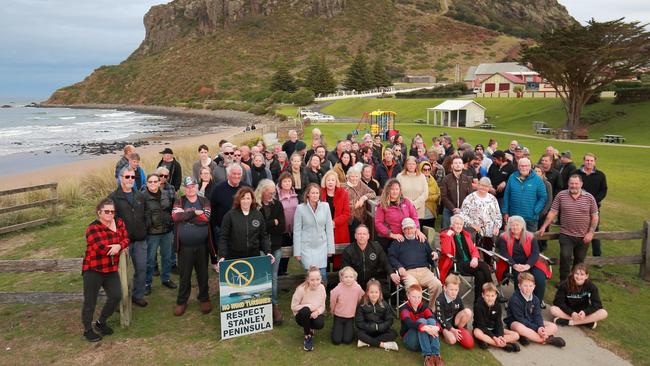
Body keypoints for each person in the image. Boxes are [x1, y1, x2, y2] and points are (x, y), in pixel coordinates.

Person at [81, 198, 128, 342]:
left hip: (110, 269)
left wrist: (119, 246)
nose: (110, 214)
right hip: (93, 269)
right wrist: (118, 245)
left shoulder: (119, 222)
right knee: (90, 301)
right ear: (99, 212)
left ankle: (101, 322)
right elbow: (102, 249)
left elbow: (126, 238)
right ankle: (88, 330)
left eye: (112, 211)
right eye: (106, 211)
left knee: (116, 295)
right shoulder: (93, 229)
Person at [537, 175, 599, 281]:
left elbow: (595, 216)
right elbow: (553, 212)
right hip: (566, 235)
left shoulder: (589, 197)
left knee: (579, 260)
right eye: (571, 183)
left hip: (583, 236)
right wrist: (544, 227)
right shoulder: (561, 195)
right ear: (568, 184)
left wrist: (591, 232)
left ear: (581, 184)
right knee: (565, 257)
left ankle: (575, 281)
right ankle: (564, 282)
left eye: (576, 183)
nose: (574, 186)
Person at [172, 177, 217, 316]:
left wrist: (186, 215)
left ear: (197, 187)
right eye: (187, 187)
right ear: (184, 188)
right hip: (185, 247)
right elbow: (175, 217)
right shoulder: (179, 201)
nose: (190, 189)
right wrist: (194, 213)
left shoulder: (204, 201)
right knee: (184, 275)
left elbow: (205, 219)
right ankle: (181, 301)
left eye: (192, 186)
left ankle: (204, 298)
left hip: (202, 246)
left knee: (203, 274)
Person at [110, 166, 148, 307]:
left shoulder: (140, 196)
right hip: (122, 243)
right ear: (121, 178)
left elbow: (145, 215)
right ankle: (120, 299)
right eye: (127, 177)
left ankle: (138, 295)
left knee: (142, 268)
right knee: (121, 272)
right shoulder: (113, 197)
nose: (130, 180)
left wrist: (144, 230)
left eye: (133, 177)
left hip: (140, 240)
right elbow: (110, 220)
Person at [389, 218, 442, 310]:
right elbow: (391, 257)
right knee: (413, 289)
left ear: (415, 228)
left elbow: (430, 255)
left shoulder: (422, 239)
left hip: (424, 271)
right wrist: (399, 267)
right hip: (408, 272)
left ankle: (431, 310)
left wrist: (434, 254)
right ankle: (416, 311)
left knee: (437, 284)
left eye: (411, 228)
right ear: (403, 230)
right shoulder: (398, 242)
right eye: (406, 228)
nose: (409, 231)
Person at [438, 215, 493, 304]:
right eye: (456, 224)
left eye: (460, 224)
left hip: (469, 263)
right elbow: (445, 250)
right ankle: (492, 290)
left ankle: (478, 302)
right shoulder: (446, 234)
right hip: (455, 264)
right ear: (452, 224)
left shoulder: (465, 234)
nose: (459, 226)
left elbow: (474, 249)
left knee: (480, 275)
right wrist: (449, 235)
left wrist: (475, 258)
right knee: (483, 265)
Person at [497, 216, 551, 304]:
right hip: (512, 265)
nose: (515, 227)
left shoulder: (530, 236)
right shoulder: (504, 237)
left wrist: (527, 265)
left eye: (517, 225)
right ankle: (520, 303)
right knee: (521, 279)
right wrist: (514, 265)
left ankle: (536, 303)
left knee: (540, 278)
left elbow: (535, 253)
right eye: (512, 225)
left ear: (522, 226)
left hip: (530, 263)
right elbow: (504, 254)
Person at [504, 273, 566, 348]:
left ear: (534, 287)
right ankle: (548, 339)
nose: (528, 288)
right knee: (519, 328)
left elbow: (537, 315)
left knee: (553, 326)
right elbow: (521, 319)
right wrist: (537, 329)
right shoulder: (515, 299)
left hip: (531, 321)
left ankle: (527, 336)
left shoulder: (535, 299)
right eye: (525, 285)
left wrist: (540, 327)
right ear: (519, 286)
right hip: (516, 322)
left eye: (530, 286)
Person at [255, 180, 285, 324]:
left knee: (273, 276)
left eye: (274, 192)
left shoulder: (277, 205)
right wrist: (272, 222)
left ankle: (274, 304)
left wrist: (267, 226)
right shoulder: (255, 207)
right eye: (270, 192)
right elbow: (256, 229)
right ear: (262, 191)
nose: (272, 194)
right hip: (260, 248)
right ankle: (261, 305)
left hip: (275, 247)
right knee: (261, 277)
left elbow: (282, 226)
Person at [293, 183, 335, 285]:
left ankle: (322, 298)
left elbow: (329, 228)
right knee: (311, 277)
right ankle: (310, 298)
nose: (315, 195)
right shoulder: (300, 208)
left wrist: (330, 248)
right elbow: (297, 231)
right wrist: (297, 252)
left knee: (323, 276)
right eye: (313, 193)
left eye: (317, 193)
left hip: (321, 245)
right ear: (308, 194)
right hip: (307, 246)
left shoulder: (325, 207)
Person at [142, 173, 176, 296]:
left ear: (159, 182)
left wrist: (171, 222)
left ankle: (166, 279)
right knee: (150, 259)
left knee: (166, 257)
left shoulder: (166, 194)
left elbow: (171, 209)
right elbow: (141, 215)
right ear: (146, 183)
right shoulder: (142, 196)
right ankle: (147, 283)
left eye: (155, 181)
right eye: (150, 182)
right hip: (152, 233)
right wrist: (147, 225)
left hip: (167, 231)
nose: (153, 184)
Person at [459, 177, 502, 266]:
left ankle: (487, 267)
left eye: (486, 186)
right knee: (474, 252)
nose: (483, 188)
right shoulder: (470, 198)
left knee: (488, 253)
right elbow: (462, 214)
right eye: (482, 185)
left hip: (489, 232)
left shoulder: (492, 199)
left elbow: (498, 215)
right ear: (478, 185)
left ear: (489, 188)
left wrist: (497, 226)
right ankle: (474, 266)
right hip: (474, 231)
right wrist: (472, 224)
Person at [341, 225, 393, 297]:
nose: (362, 236)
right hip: (356, 281)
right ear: (355, 236)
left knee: (382, 292)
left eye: (364, 234)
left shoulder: (376, 247)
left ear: (368, 236)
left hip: (375, 279)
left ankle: (380, 308)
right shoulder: (348, 251)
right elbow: (345, 269)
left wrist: (391, 273)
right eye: (359, 234)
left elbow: (385, 262)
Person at [550, 263, 608, 329]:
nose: (579, 277)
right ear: (573, 274)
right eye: (576, 273)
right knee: (553, 309)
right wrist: (571, 313)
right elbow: (558, 302)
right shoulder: (565, 284)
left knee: (603, 313)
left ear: (586, 276)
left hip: (583, 313)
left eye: (582, 274)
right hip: (568, 312)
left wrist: (585, 312)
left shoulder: (591, 286)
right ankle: (587, 322)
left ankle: (570, 322)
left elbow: (597, 304)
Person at [374, 179, 425, 250]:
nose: (395, 192)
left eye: (397, 189)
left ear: (400, 190)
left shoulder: (406, 202)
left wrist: (417, 230)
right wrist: (392, 235)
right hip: (390, 239)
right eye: (392, 189)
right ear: (388, 190)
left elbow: (414, 217)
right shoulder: (382, 205)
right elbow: (378, 223)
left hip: (406, 236)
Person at [400, 284, 444, 366]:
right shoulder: (404, 308)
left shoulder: (423, 307)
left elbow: (433, 318)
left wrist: (436, 328)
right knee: (422, 321)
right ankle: (427, 356)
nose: (416, 300)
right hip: (410, 341)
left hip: (423, 341)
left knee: (431, 320)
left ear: (421, 297)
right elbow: (408, 322)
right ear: (408, 296)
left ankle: (436, 355)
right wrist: (424, 328)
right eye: (414, 297)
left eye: (419, 297)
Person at [502, 158, 547, 232]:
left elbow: (543, 197)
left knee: (529, 241)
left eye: (526, 166)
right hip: (514, 217)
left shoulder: (537, 179)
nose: (524, 168)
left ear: (530, 167)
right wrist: (505, 211)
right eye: (521, 166)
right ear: (518, 166)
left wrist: (535, 210)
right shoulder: (512, 177)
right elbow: (507, 195)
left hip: (530, 218)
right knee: (513, 241)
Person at [209, 163, 250, 245]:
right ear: (228, 175)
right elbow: (212, 208)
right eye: (234, 174)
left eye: (239, 174)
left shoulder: (246, 188)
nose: (236, 176)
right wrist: (216, 226)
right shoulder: (218, 189)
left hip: (242, 230)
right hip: (222, 230)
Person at [473, 282, 520, 352]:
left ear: (496, 296)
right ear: (483, 295)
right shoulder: (478, 306)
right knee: (477, 333)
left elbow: (499, 323)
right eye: (487, 295)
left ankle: (491, 342)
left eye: (492, 296)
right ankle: (504, 345)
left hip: (494, 329)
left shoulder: (498, 306)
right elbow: (481, 326)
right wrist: (494, 337)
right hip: (482, 329)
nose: (490, 298)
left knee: (516, 335)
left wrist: (499, 336)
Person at [577, 153, 607, 258]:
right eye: (587, 160)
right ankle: (577, 255)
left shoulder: (600, 175)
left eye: (591, 160)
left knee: (594, 230)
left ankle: (597, 256)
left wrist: (593, 201)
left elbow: (603, 190)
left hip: (594, 208)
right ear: (584, 161)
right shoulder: (576, 173)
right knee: (578, 230)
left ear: (595, 162)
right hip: (578, 207)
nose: (589, 162)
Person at [355, 279, 399, 350]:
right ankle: (384, 345)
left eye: (376, 292)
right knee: (359, 334)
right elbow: (359, 322)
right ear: (367, 293)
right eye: (371, 292)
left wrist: (380, 327)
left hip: (380, 330)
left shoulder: (384, 304)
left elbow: (389, 320)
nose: (374, 294)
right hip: (368, 330)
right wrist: (370, 327)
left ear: (380, 293)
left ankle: (367, 342)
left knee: (393, 333)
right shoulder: (362, 305)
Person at [320, 170, 350, 272]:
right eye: (328, 180)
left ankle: (336, 285)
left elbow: (346, 213)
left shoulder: (343, 193)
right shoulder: (320, 193)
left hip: (339, 230)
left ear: (336, 181)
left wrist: (334, 222)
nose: (330, 182)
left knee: (338, 261)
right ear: (325, 181)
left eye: (333, 180)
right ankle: (325, 285)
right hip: (323, 230)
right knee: (325, 260)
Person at [291, 266, 327, 352]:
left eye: (317, 279)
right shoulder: (301, 290)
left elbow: (322, 306)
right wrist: (308, 306)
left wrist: (317, 312)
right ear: (308, 279)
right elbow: (293, 307)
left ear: (321, 278)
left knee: (320, 324)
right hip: (302, 315)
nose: (315, 282)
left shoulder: (322, 288)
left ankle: (311, 328)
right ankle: (307, 336)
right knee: (305, 310)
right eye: (312, 280)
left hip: (314, 314)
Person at [434, 274, 474, 349]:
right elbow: (441, 319)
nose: (454, 292)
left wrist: (464, 330)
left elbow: (462, 311)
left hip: (453, 320)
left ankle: (459, 331)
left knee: (468, 311)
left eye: (456, 290)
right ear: (445, 288)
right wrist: (451, 329)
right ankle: (445, 333)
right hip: (443, 323)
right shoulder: (439, 300)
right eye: (451, 290)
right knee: (452, 341)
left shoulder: (457, 297)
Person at [330, 266, 365, 345]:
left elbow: (361, 298)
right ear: (341, 278)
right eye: (346, 277)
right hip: (338, 316)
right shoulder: (337, 289)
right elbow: (333, 301)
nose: (348, 279)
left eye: (351, 277)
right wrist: (332, 311)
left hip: (350, 317)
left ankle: (346, 330)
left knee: (347, 340)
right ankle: (335, 328)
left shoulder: (357, 288)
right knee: (336, 341)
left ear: (354, 278)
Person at [344, 163, 376, 238]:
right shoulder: (344, 187)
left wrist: (363, 198)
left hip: (360, 217)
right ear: (348, 177)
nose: (354, 178)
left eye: (356, 176)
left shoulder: (360, 184)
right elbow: (344, 204)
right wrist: (355, 205)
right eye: (352, 176)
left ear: (359, 177)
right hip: (349, 218)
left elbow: (373, 193)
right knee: (351, 237)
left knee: (360, 237)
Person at [440, 157, 473, 229]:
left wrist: (462, 209)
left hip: (463, 211)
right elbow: (443, 196)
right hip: (448, 210)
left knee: (461, 232)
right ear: (452, 165)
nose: (458, 165)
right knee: (447, 231)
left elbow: (470, 196)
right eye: (455, 163)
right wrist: (453, 208)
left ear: (463, 166)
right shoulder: (446, 179)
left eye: (460, 163)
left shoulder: (467, 179)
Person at [277, 172, 299, 276]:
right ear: (281, 183)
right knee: (280, 253)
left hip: (293, 229)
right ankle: (278, 272)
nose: (287, 183)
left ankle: (284, 271)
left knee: (288, 252)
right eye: (284, 181)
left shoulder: (295, 195)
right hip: (281, 230)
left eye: (289, 181)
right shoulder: (277, 195)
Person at [397, 156, 429, 222]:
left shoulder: (422, 176)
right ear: (406, 165)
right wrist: (408, 204)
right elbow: (398, 193)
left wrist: (415, 204)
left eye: (413, 164)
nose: (411, 166)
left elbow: (425, 193)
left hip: (418, 210)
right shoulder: (400, 176)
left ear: (416, 165)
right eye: (409, 164)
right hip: (404, 209)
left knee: (417, 230)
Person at [419, 161, 440, 230]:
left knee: (430, 233)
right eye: (424, 169)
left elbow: (437, 194)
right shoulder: (417, 180)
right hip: (419, 211)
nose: (427, 171)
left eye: (428, 169)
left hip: (430, 211)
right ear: (420, 169)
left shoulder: (433, 180)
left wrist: (426, 197)